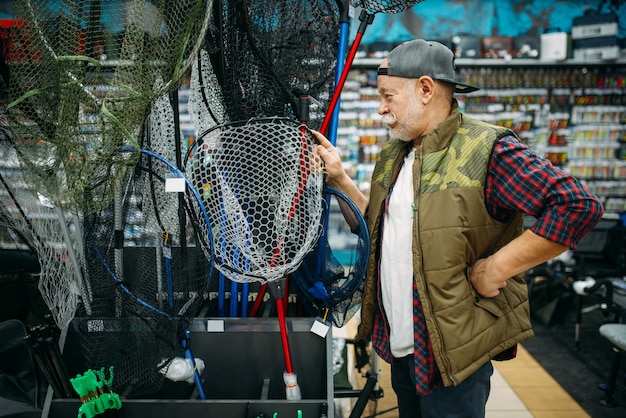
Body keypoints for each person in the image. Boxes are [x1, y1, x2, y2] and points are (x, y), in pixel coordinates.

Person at [313, 39, 604, 418]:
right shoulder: (393, 155)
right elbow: (378, 229)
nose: (381, 108)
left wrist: (496, 268)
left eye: (388, 96)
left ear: (425, 89)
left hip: (451, 350)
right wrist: (340, 180)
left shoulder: (487, 149)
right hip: (401, 342)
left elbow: (576, 206)